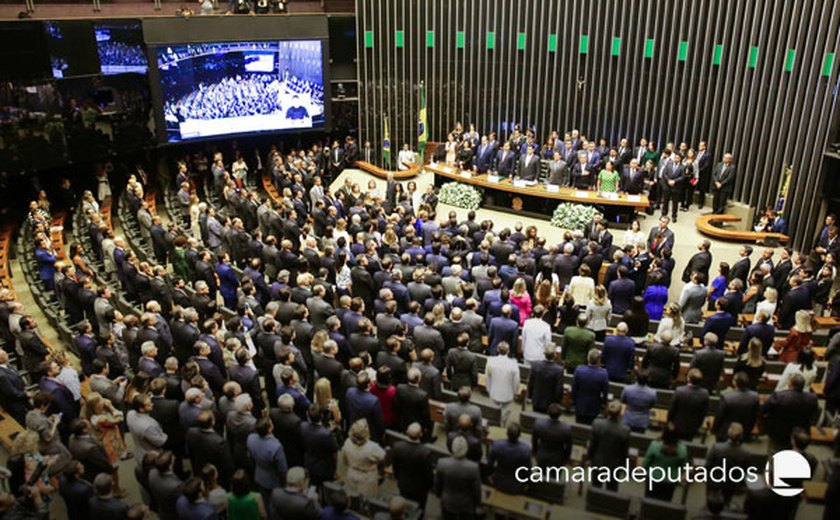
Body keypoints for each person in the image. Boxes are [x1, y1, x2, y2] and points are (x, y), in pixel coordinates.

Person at [762, 372, 820, 451]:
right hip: (800, 433)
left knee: (775, 453)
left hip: (779, 432)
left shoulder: (779, 396)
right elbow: (814, 415)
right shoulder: (812, 398)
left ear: (790, 384)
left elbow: (764, 409)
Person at [435, 436, 482, 519]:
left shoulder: (441, 463)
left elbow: (438, 483)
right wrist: (478, 503)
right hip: (466, 504)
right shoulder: (473, 467)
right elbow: (476, 489)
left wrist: (439, 495)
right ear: (466, 449)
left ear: (452, 448)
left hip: (447, 501)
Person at [390, 423, 434, 510]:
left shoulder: (397, 446)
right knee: (419, 509)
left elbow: (395, 467)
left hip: (403, 483)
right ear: (421, 434)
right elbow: (428, 474)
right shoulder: (425, 452)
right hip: (420, 488)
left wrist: (398, 478)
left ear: (406, 432)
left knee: (403, 507)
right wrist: (429, 486)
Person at [589, 401, 631, 491]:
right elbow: (624, 452)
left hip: (598, 461)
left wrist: (590, 457)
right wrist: (623, 466)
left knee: (595, 487)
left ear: (607, 411)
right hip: (614, 465)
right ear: (620, 413)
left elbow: (592, 444)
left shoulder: (597, 424)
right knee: (612, 490)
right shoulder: (625, 430)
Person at [642, 422, 689, 501]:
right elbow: (683, 467)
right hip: (671, 480)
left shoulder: (654, 445)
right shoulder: (683, 450)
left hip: (653, 478)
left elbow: (646, 464)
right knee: (666, 501)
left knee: (649, 500)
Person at [339, 419, 386, 496]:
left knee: (352, 497)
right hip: (367, 478)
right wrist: (381, 471)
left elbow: (345, 460)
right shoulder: (372, 447)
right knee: (366, 501)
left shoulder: (347, 442)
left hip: (352, 473)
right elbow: (383, 458)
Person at [713, 372, 760, 443]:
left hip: (726, 431)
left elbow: (719, 416)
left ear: (734, 382)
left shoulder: (727, 397)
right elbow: (754, 416)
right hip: (744, 431)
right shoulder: (755, 396)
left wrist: (714, 429)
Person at [487, 422, 531, 494]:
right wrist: (527, 483)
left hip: (498, 482)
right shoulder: (525, 450)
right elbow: (528, 471)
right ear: (519, 435)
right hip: (517, 486)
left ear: (507, 433)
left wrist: (489, 475)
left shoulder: (497, 445)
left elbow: (490, 464)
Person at [668, 368, 710, 440]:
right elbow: (703, 413)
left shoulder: (679, 390)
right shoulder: (705, 394)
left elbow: (672, 409)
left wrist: (669, 421)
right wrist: (698, 425)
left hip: (677, 424)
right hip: (692, 426)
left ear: (688, 378)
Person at [484, 342, 520, 425]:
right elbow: (516, 381)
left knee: (493, 411)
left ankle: (495, 423)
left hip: (493, 391)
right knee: (504, 414)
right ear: (508, 351)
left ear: (497, 350)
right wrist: (515, 392)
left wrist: (488, 388)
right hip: (508, 393)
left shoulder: (490, 361)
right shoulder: (513, 364)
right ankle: (502, 424)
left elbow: (487, 377)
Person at [572, 349, 609, 425]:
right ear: (599, 360)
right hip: (594, 406)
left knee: (579, 425)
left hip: (580, 404)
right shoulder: (603, 374)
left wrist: (574, 401)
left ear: (588, 358)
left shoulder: (579, 370)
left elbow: (574, 388)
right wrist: (603, 404)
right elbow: (605, 392)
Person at [532, 403, 572, 468]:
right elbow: (568, 447)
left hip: (542, 456)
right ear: (560, 414)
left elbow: (534, 441)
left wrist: (535, 452)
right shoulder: (566, 429)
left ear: (548, 412)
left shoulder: (538, 424)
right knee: (555, 477)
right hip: (558, 459)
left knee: (540, 476)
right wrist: (566, 459)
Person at [527, 344, 564, 413]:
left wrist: (531, 396)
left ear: (544, 353)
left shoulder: (535, 365)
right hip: (550, 402)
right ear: (555, 355)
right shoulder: (559, 370)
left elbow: (530, 382)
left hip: (536, 399)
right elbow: (558, 389)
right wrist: (557, 402)